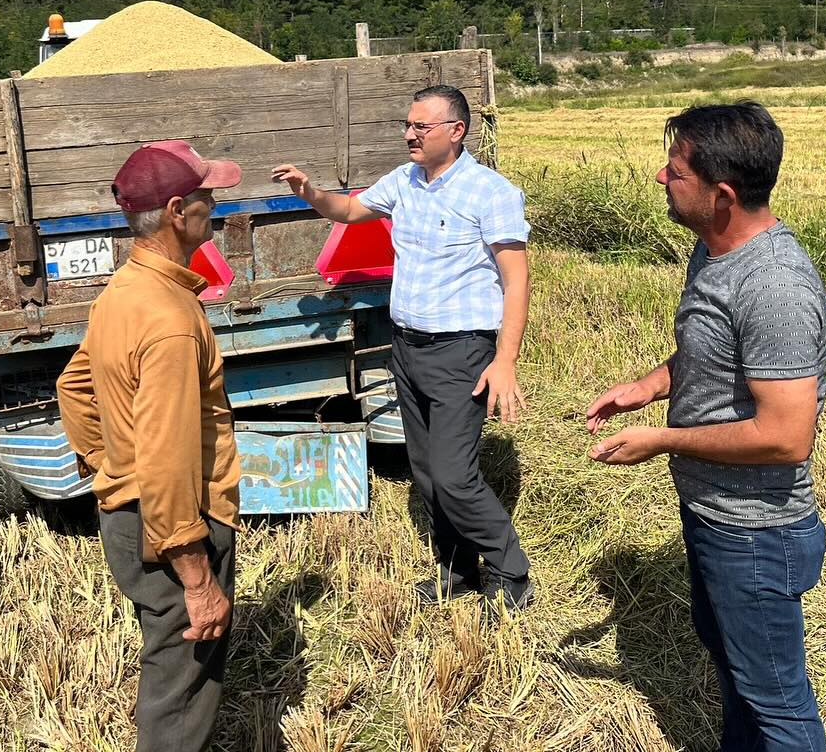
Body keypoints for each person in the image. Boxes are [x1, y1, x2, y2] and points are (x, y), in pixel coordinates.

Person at [584, 102, 826, 752]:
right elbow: (710, 356)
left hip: (755, 534)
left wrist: (661, 439)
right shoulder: (714, 251)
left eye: (675, 171)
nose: (659, 179)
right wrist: (647, 387)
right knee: (738, 677)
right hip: (712, 513)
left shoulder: (775, 286)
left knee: (780, 709)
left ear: (722, 196)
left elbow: (786, 435)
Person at [272, 84, 534, 611]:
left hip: (463, 351)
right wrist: (310, 192)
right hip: (407, 348)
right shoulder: (406, 181)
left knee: (456, 475)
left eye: (422, 126)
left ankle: (511, 572)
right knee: (428, 473)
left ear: (456, 131)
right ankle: (457, 571)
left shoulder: (490, 193)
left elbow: (517, 280)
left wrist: (505, 360)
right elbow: (348, 211)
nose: (409, 134)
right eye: (407, 125)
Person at [56, 140, 243, 752]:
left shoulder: (125, 290)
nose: (214, 205)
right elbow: (165, 461)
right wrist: (195, 577)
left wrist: (108, 468)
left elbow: (74, 385)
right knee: (181, 692)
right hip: (172, 529)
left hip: (134, 517)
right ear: (175, 211)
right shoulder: (168, 319)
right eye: (206, 196)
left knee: (168, 670)